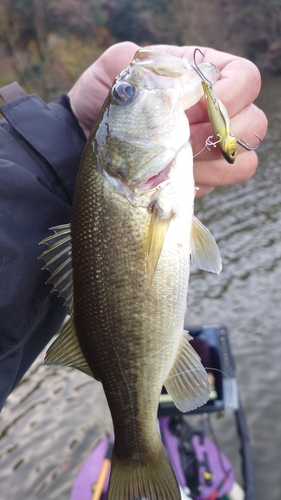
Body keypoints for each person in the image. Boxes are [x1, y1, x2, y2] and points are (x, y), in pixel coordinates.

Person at [0, 41, 267, 412]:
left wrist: (67, 134)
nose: (129, 87)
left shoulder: (116, 170)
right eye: (125, 93)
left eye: (123, 92)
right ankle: (139, 444)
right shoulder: (118, 178)